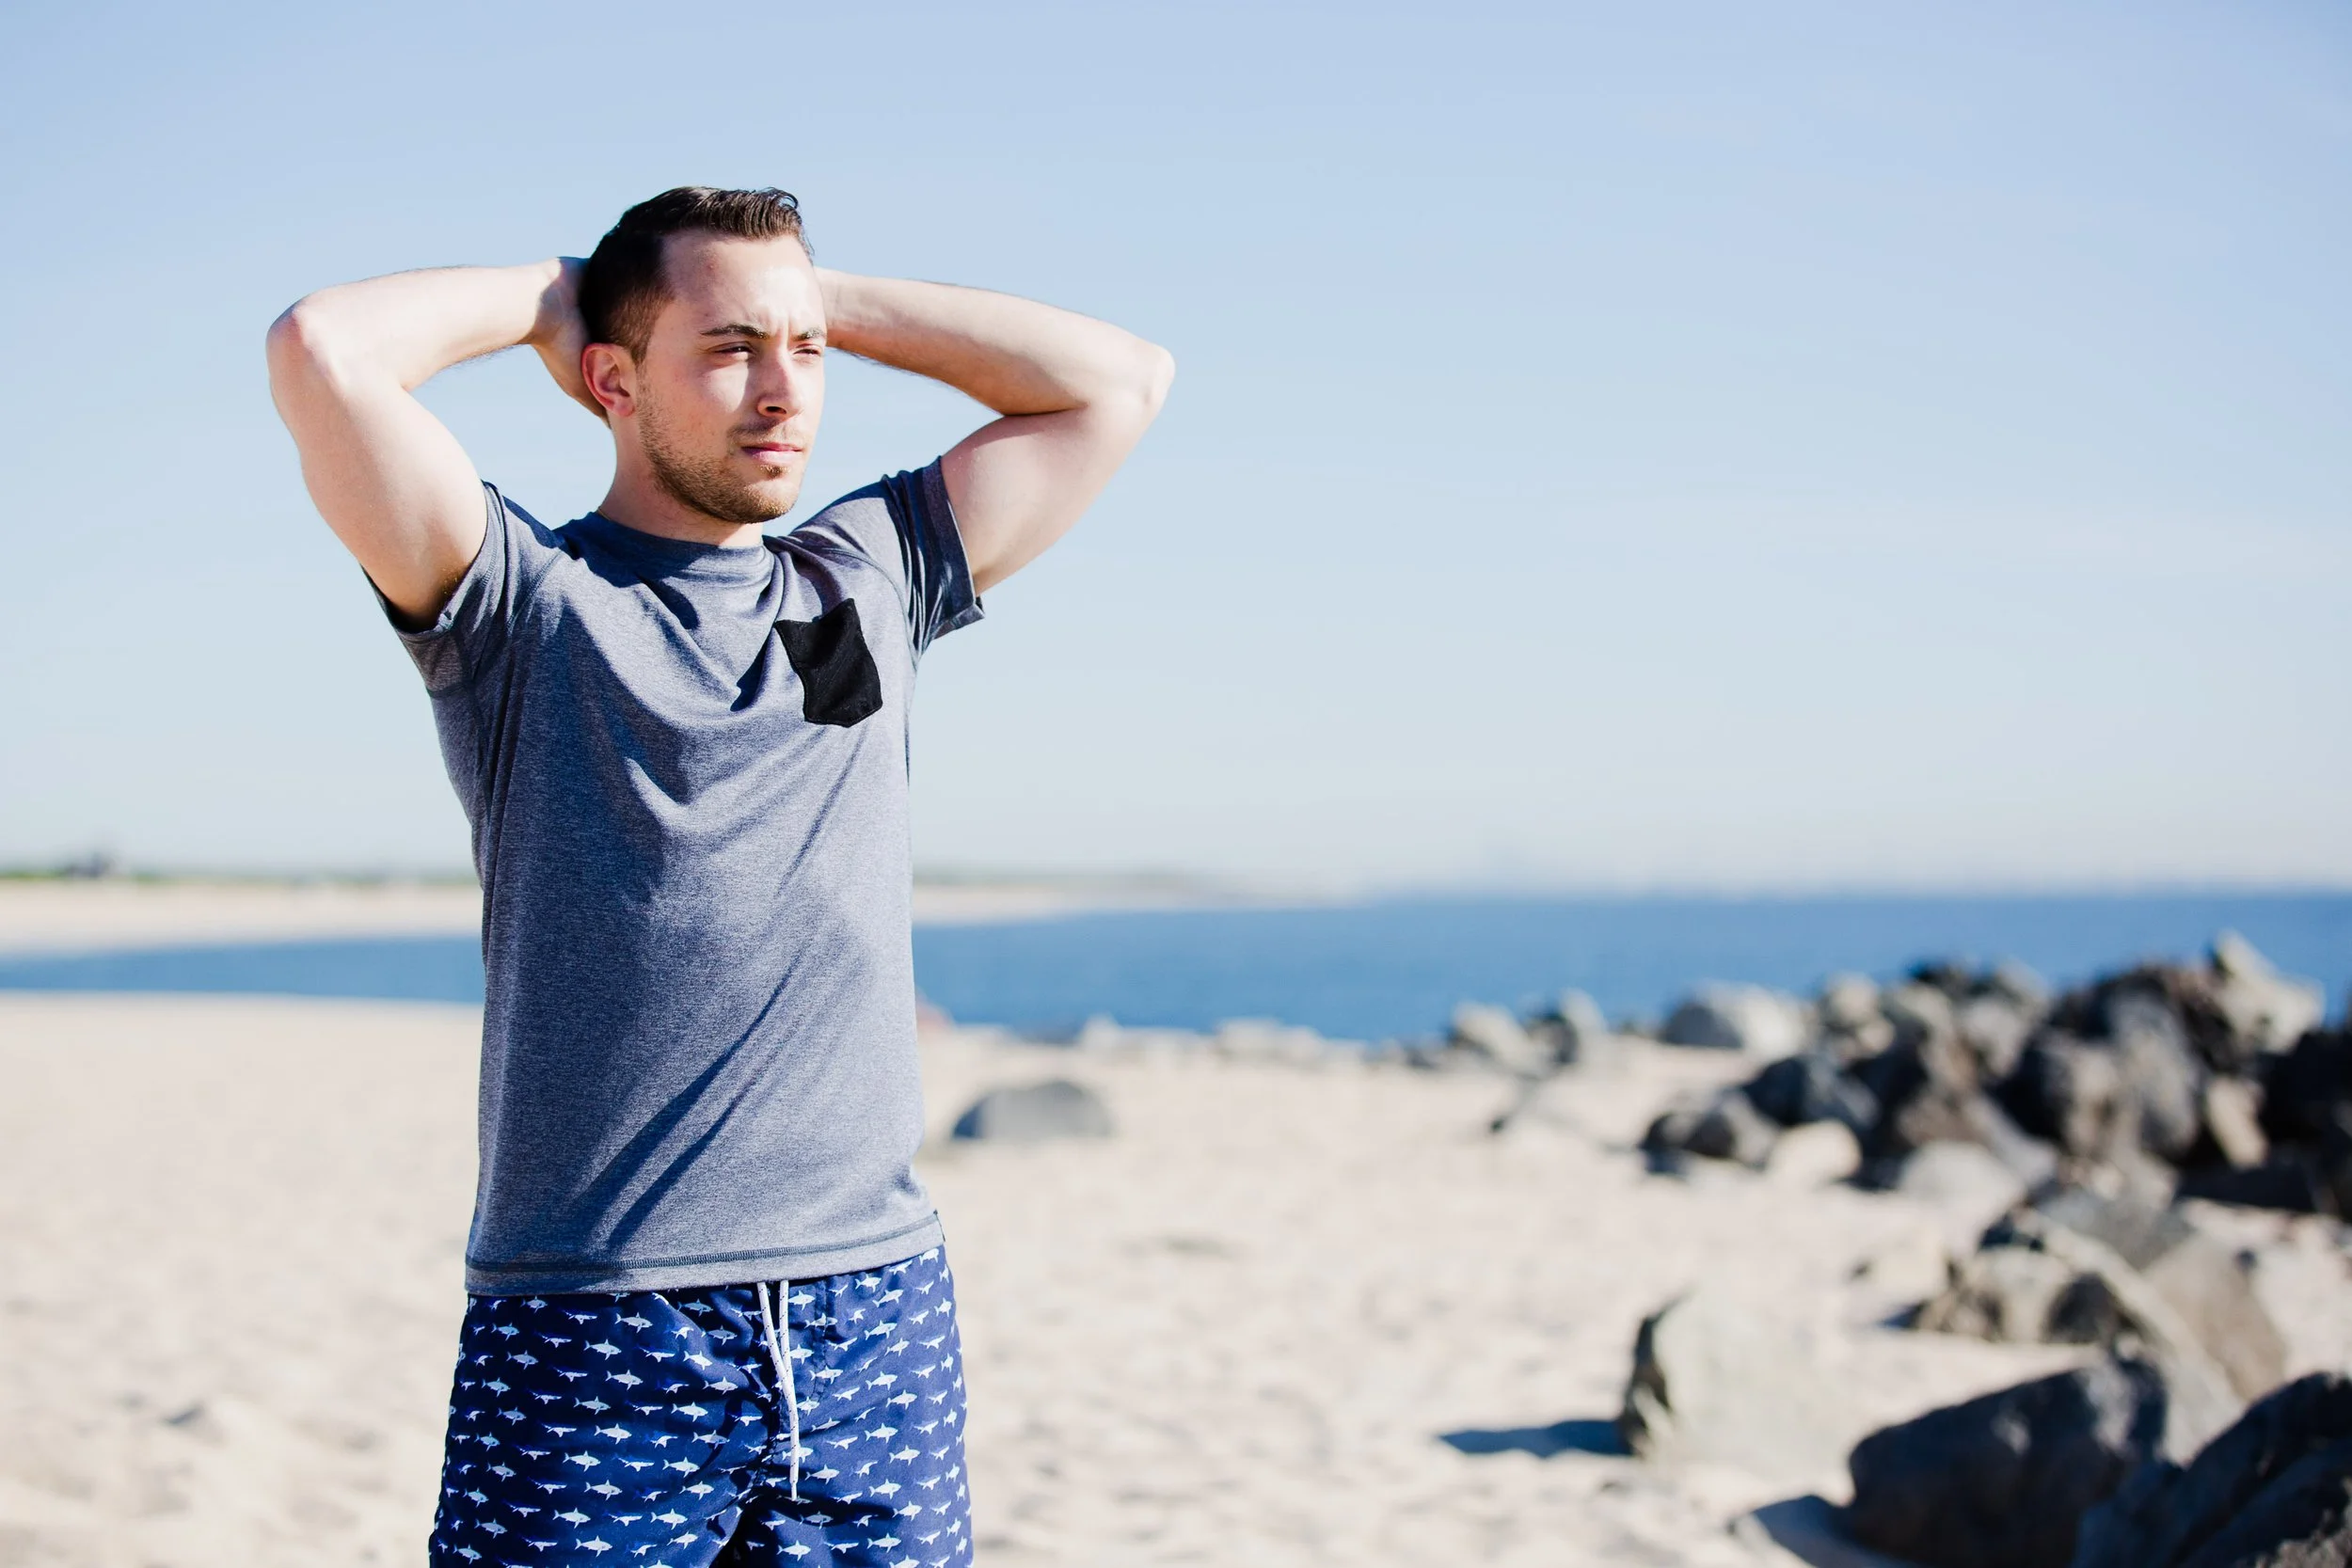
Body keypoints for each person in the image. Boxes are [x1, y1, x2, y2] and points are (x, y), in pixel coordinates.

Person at [266, 186, 1172, 1568]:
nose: (783, 391)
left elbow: (1120, 382)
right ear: (611, 382)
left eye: (803, 354)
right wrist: (556, 293)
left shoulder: (865, 574)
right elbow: (322, 349)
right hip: (595, 1324)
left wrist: (817, 304)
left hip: (874, 1317)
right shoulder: (522, 602)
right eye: (730, 350)